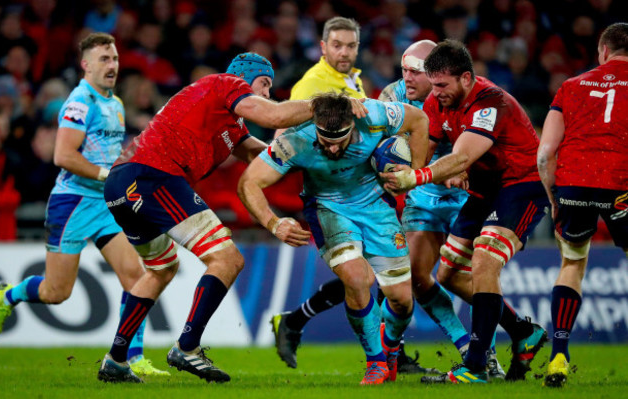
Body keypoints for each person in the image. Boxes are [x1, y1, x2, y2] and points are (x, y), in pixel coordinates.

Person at [96, 53, 368, 384]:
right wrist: (328, 104)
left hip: (122, 184)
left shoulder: (228, 121)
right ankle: (187, 347)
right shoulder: (226, 84)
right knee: (227, 258)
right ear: (246, 76)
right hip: (154, 177)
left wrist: (321, 152)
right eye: (264, 84)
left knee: (161, 269)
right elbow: (271, 114)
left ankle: (116, 359)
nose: (266, 92)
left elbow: (265, 153)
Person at [0, 32, 168, 377]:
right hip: (72, 204)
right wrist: (104, 174)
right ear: (85, 65)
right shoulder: (79, 103)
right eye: (104, 59)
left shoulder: (114, 104)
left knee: (136, 277)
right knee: (56, 292)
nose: (112, 65)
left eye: (114, 58)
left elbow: (111, 154)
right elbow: (62, 155)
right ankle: (9, 295)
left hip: (107, 203)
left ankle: (134, 356)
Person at [269, 17, 433, 375]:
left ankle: (295, 321)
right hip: (329, 191)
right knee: (363, 279)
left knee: (371, 279)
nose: (345, 52)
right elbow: (285, 131)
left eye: (351, 45)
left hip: (366, 188)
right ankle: (389, 356)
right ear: (323, 47)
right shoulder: (314, 83)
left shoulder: (350, 80)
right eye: (337, 45)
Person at [381, 40, 549, 384]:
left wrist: (416, 176)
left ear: (467, 79)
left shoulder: (491, 102)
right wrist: (400, 171)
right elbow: (424, 151)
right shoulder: (436, 102)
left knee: (485, 260)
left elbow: (460, 157)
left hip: (520, 185)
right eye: (434, 84)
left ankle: (474, 367)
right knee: (447, 275)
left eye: (443, 85)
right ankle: (522, 332)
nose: (436, 92)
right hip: (484, 189)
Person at [238, 92, 429, 384]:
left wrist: (412, 175)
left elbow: (418, 119)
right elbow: (249, 181)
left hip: (377, 206)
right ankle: (376, 362)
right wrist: (272, 223)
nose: (331, 147)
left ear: (352, 124)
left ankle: (389, 348)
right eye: (325, 140)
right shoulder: (296, 139)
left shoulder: (373, 116)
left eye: (339, 140)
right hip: (328, 207)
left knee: (402, 301)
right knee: (356, 279)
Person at [537, 22, 628, 388]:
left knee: (573, 262)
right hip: (622, 182)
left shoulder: (571, 86)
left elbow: (545, 153)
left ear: (603, 51)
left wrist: (553, 196)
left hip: (575, 182)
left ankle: (559, 352)